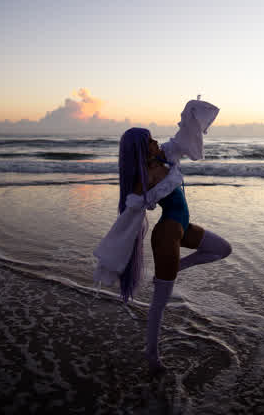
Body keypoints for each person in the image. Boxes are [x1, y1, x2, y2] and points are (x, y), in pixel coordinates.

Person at [93, 98, 232, 376]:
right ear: (142, 149)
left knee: (222, 249)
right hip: (167, 233)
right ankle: (152, 355)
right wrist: (138, 199)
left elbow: (185, 136)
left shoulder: (167, 155)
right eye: (150, 141)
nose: (156, 141)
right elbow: (132, 209)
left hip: (184, 227)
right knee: (161, 301)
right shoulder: (145, 179)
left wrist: (193, 111)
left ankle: (176, 268)